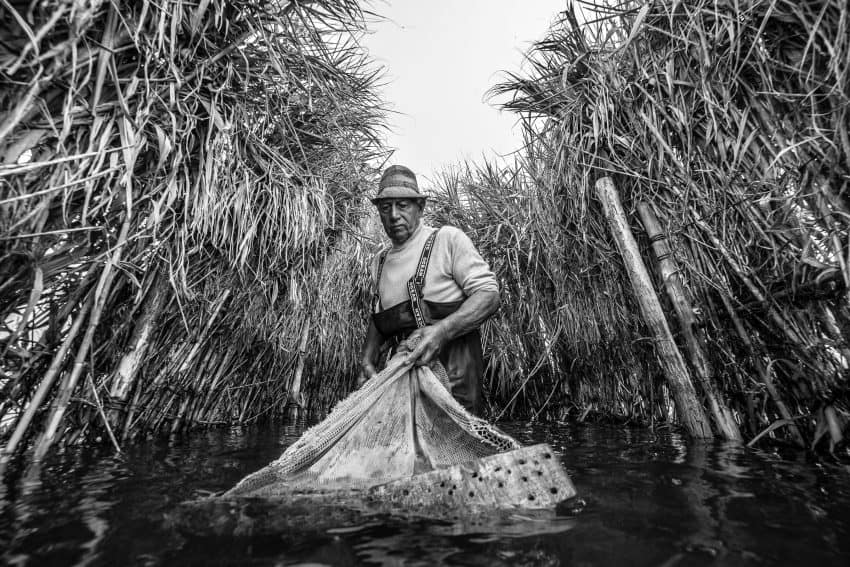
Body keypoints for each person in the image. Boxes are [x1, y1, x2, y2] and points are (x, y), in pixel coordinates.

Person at [359, 165, 500, 415]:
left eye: (402, 205)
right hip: (407, 385)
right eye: (385, 207)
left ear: (420, 208)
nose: (393, 215)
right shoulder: (378, 262)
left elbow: (489, 296)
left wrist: (442, 331)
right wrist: (367, 359)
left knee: (456, 450)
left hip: (455, 386)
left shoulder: (447, 240)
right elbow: (380, 318)